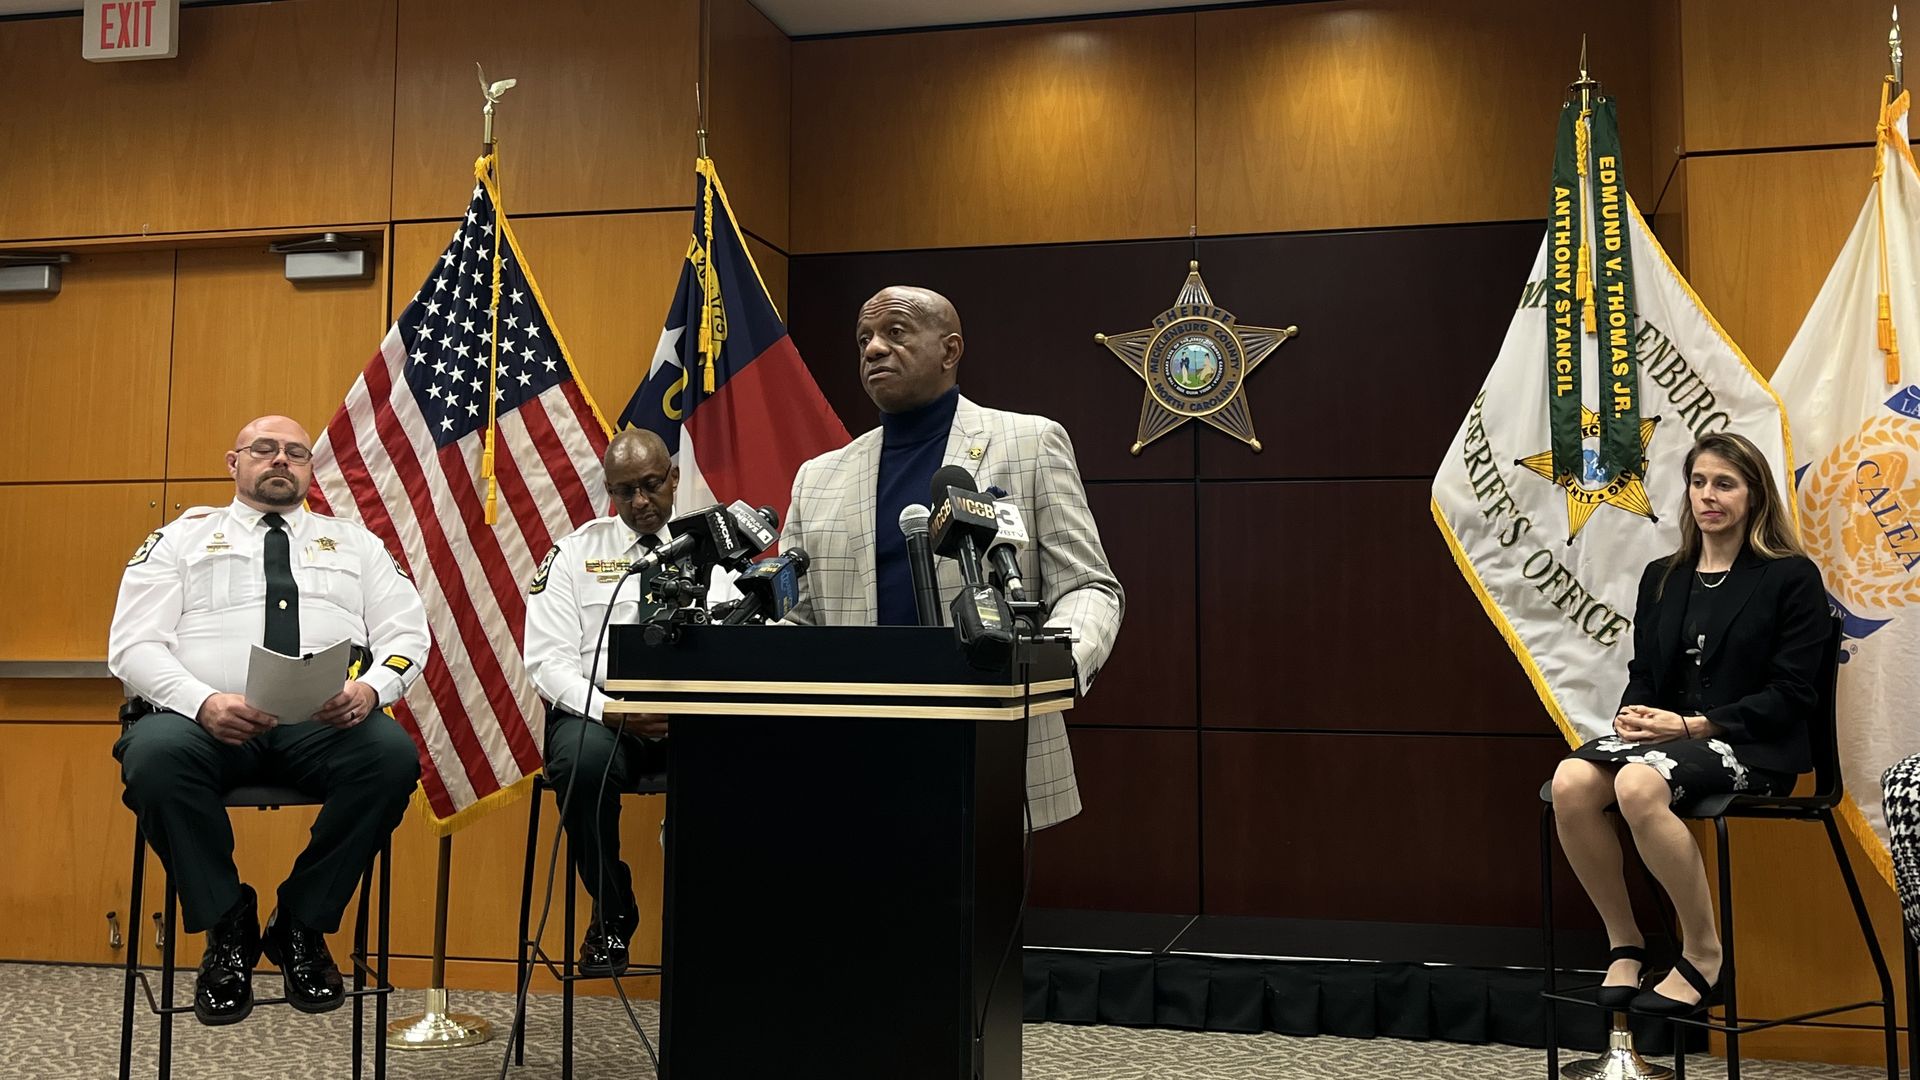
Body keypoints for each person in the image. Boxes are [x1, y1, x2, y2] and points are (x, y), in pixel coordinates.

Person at [108, 415, 428, 1025]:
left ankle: (302, 925)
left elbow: (407, 635)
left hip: (322, 721)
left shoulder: (357, 544)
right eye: (265, 449)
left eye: (296, 453)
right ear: (234, 462)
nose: (281, 460)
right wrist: (201, 701)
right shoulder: (179, 539)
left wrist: (372, 687)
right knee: (153, 760)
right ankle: (227, 927)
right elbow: (133, 645)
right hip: (205, 717)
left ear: (310, 469)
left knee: (389, 757)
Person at [778, 285, 1124, 829]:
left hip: (988, 736)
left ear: (950, 349)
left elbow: (1088, 587)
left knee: (974, 912)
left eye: (895, 333)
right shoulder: (818, 477)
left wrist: (1054, 665)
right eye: (864, 338)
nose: (872, 349)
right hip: (855, 751)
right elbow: (799, 618)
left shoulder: (1029, 444)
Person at [1550, 431, 1828, 1016]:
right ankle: (1626, 941)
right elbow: (1645, 672)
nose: (1708, 496)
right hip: (1669, 741)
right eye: (1698, 483)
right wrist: (1635, 715)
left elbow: (1793, 695)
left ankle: (1703, 954)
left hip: (1752, 747)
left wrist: (1695, 725)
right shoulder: (1663, 576)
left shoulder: (1789, 577)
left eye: (1724, 484)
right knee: (1572, 783)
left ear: (1754, 495)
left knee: (1636, 784)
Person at [523, 428, 738, 975]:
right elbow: (547, 662)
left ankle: (723, 924)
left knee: (755, 762)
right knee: (579, 764)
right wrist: (611, 710)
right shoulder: (574, 554)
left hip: (692, 716)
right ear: (609, 492)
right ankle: (612, 911)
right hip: (603, 715)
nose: (640, 502)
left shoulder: (715, 551)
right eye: (624, 492)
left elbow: (750, 641)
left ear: (673, 478)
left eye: (649, 486)